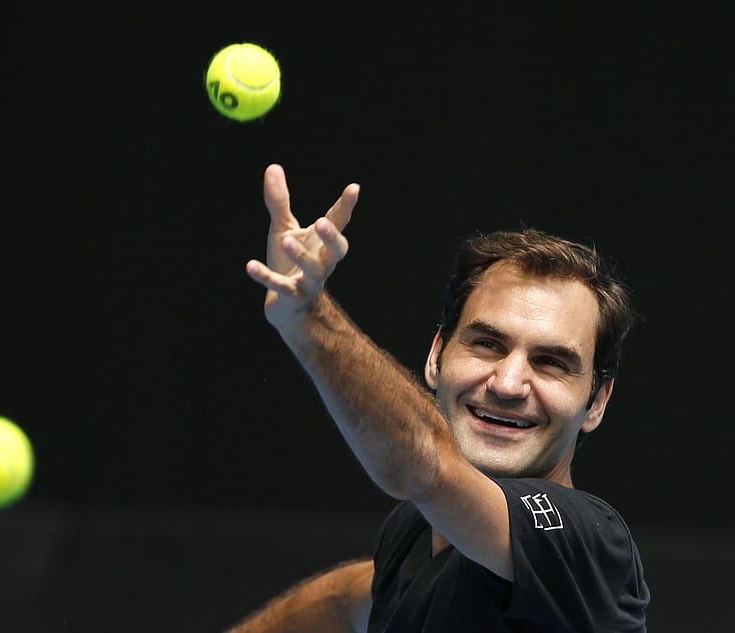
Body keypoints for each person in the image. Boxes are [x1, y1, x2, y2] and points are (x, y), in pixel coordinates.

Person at [226, 164, 651, 632]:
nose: (508, 384)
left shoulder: (586, 539)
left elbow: (427, 469)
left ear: (596, 401)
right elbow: (345, 598)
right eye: (487, 344)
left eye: (551, 362)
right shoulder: (412, 534)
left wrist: (308, 319)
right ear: (436, 356)